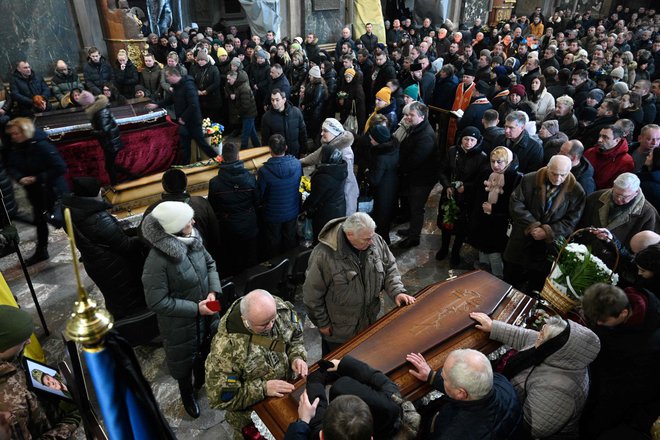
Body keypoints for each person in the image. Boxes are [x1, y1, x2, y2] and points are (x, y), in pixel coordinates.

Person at [141, 201, 221, 418]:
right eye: (188, 221)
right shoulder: (157, 261)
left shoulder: (193, 238)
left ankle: (202, 379)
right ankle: (187, 395)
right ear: (174, 227)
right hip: (180, 325)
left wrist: (213, 291)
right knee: (183, 364)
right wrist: (196, 309)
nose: (193, 222)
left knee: (206, 349)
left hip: (206, 312)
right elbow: (157, 302)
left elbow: (210, 263)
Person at [470, 312, 600, 438]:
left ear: (554, 346)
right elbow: (525, 337)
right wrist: (493, 326)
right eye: (542, 331)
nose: (538, 336)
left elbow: (530, 428)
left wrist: (489, 398)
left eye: (542, 336)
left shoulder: (559, 390)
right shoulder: (556, 349)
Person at [303, 212, 415, 355]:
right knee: (338, 371)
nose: (372, 242)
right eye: (366, 239)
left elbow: (389, 268)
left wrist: (397, 291)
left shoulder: (375, 240)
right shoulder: (324, 255)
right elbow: (311, 295)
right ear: (350, 235)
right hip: (339, 332)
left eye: (372, 236)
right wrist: (322, 323)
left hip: (369, 323)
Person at [206, 289, 307, 440]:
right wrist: (263, 388)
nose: (271, 325)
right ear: (245, 320)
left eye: (273, 319)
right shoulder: (226, 350)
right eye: (264, 324)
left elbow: (296, 336)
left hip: (288, 396)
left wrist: (296, 356)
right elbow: (222, 398)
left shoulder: (278, 307)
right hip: (255, 420)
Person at [62, 177, 149, 320]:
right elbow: (126, 246)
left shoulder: (70, 209)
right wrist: (145, 237)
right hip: (113, 265)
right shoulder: (98, 218)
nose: (102, 191)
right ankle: (135, 331)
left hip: (95, 262)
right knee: (129, 301)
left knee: (115, 299)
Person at [580, 283, 660, 439]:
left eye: (602, 321)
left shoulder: (649, 344)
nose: (598, 324)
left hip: (619, 389)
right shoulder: (619, 298)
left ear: (623, 313)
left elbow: (634, 388)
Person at [284, 355, 420, 440]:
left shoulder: (316, 433)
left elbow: (316, 417)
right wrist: (346, 365)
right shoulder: (392, 413)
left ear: (322, 436)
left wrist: (303, 422)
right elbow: (387, 389)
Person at [504, 155, 586, 293]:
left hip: (547, 248)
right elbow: (515, 203)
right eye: (554, 173)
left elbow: (571, 221)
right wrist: (533, 225)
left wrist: (547, 232)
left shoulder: (577, 191)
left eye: (563, 175)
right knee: (509, 281)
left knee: (535, 288)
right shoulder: (530, 179)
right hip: (521, 240)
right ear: (548, 168)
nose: (558, 178)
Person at [0, 305, 80, 439]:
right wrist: (71, 423)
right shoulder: (9, 411)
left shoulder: (8, 358)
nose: (29, 341)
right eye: (22, 339)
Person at [405, 348, 522, 439]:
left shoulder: (452, 434)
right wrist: (431, 376)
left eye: (444, 378)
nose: (440, 375)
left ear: (461, 393)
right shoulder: (502, 383)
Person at [5, 118, 69, 265]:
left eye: (16, 133)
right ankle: (41, 251)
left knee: (65, 221)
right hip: (36, 192)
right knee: (41, 222)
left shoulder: (41, 145)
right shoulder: (17, 147)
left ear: (25, 131)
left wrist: (36, 178)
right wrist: (20, 177)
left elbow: (60, 167)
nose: (13, 137)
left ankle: (85, 248)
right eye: (12, 134)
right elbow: (11, 166)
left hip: (52, 190)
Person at [142, 168, 221, 264]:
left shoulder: (153, 211)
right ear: (185, 184)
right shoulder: (201, 203)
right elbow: (215, 234)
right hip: (202, 260)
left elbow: (146, 241)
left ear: (164, 186)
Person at [437, 126, 489, 266]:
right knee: (446, 223)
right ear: (461, 139)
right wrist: (447, 185)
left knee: (461, 228)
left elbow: (480, 181)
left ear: (477, 141)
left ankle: (455, 252)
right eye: (466, 139)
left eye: (472, 140)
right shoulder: (452, 151)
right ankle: (443, 248)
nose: (468, 143)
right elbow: (442, 171)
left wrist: (465, 187)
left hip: (467, 198)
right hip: (449, 194)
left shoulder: (482, 157)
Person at [469, 147, 523, 278]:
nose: (495, 165)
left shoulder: (515, 178)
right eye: (492, 161)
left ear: (508, 161)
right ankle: (482, 275)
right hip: (483, 221)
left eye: (499, 162)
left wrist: (494, 210)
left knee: (494, 255)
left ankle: (497, 280)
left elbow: (515, 206)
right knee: (482, 251)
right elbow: (477, 196)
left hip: (499, 224)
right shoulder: (486, 172)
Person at [207, 143, 259, 277]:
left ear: (222, 158)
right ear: (238, 156)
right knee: (250, 259)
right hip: (249, 225)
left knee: (232, 259)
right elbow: (257, 201)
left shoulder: (215, 183)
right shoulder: (250, 178)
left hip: (228, 227)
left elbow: (214, 206)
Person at [146, 67, 217, 164]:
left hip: (193, 121)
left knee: (202, 143)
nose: (167, 79)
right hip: (183, 122)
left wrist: (183, 117)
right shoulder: (176, 86)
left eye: (167, 76)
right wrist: (157, 105)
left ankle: (218, 159)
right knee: (185, 146)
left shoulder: (189, 86)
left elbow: (193, 105)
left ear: (173, 75)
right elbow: (171, 99)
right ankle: (185, 166)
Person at [579, 173, 659, 250]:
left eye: (624, 196)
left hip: (618, 259)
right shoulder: (595, 198)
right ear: (613, 187)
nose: (619, 199)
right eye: (616, 194)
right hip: (584, 249)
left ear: (636, 192)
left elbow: (645, 251)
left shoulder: (648, 214)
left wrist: (613, 241)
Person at [397, 102, 437, 248]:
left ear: (421, 117)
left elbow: (416, 160)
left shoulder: (426, 135)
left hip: (422, 179)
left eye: (411, 115)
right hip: (415, 176)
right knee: (413, 205)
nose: (407, 117)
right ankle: (411, 229)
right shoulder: (417, 128)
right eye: (407, 114)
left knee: (417, 207)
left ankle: (414, 237)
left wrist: (400, 167)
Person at [257, 134, 302, 258]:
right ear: (286, 147)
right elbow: (299, 184)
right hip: (292, 211)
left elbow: (260, 194)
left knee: (273, 244)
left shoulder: (264, 171)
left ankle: (276, 270)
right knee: (290, 240)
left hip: (272, 215)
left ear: (270, 150)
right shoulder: (297, 164)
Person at [301, 118, 358, 216]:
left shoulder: (344, 153)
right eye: (322, 130)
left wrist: (348, 212)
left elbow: (348, 182)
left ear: (334, 132)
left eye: (325, 131)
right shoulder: (332, 144)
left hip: (340, 201)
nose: (322, 133)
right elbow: (313, 157)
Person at [75, 90, 129, 185]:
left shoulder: (100, 113)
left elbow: (104, 131)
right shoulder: (98, 109)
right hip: (110, 142)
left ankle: (116, 185)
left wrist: (93, 133)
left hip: (111, 143)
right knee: (111, 165)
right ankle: (131, 176)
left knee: (109, 166)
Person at [303, 146, 347, 242]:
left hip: (325, 214)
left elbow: (314, 198)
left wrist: (304, 207)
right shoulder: (341, 169)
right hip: (339, 209)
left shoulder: (324, 177)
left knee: (322, 239)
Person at [367, 125, 399, 245]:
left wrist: (368, 173)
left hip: (383, 191)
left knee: (381, 220)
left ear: (378, 140)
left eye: (372, 139)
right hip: (392, 187)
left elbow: (375, 179)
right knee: (386, 218)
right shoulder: (394, 148)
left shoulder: (381, 157)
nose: (370, 141)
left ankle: (382, 244)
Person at [583, 125, 635, 190]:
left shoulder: (626, 162)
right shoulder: (590, 152)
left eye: (605, 137)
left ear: (617, 140)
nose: (599, 140)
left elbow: (614, 188)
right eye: (600, 136)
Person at [261, 89, 307, 158]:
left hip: (295, 154)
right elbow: (265, 140)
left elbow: (303, 134)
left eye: (277, 100)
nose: (274, 103)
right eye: (272, 100)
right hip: (278, 157)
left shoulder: (296, 112)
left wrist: (304, 151)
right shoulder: (266, 117)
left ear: (284, 100)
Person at [225, 70, 259, 150]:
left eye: (229, 79)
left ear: (234, 78)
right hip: (248, 113)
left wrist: (239, 114)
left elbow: (245, 106)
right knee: (252, 132)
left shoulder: (243, 88)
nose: (228, 81)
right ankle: (257, 146)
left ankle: (243, 150)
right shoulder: (240, 85)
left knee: (245, 135)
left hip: (248, 114)